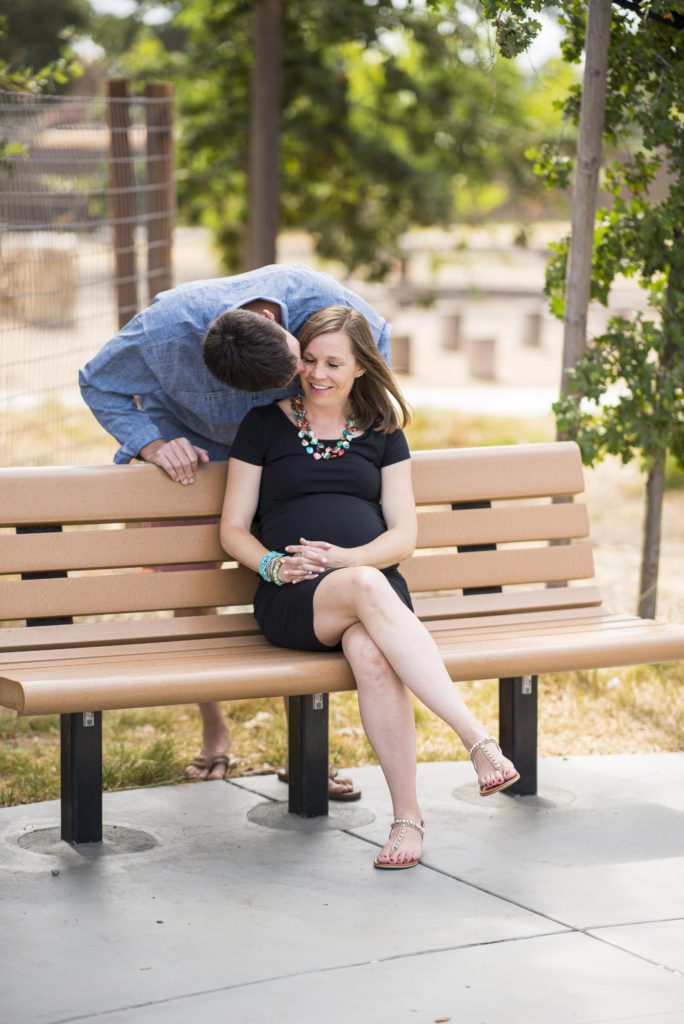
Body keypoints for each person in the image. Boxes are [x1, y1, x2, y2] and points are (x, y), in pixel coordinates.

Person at [220, 305, 519, 871]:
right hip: (295, 598)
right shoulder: (264, 424)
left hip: (377, 597)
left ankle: (407, 820)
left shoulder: (383, 430)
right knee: (362, 586)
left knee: (373, 656)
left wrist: (351, 559)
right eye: (308, 359)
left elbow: (404, 535)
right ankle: (477, 739)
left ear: (361, 367)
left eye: (334, 363)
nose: (317, 373)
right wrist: (270, 567)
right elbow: (233, 528)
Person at [79, 264, 389, 795]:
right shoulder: (162, 329)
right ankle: (215, 734)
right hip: (193, 455)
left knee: (306, 578)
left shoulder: (320, 297)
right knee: (194, 589)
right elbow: (98, 380)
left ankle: (306, 746)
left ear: (276, 320)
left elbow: (372, 349)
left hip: (291, 445)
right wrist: (152, 444)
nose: (303, 374)